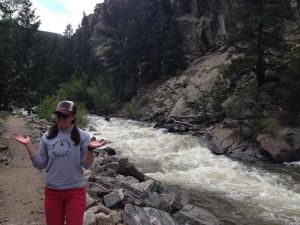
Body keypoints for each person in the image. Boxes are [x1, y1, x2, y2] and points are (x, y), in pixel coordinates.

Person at [13, 100, 106, 225]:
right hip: (52, 192)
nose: (61, 118)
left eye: (65, 115)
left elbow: (86, 165)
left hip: (75, 192)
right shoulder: (47, 136)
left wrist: (90, 149)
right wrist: (28, 145)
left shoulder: (83, 136)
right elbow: (40, 164)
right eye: (59, 115)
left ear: (73, 117)